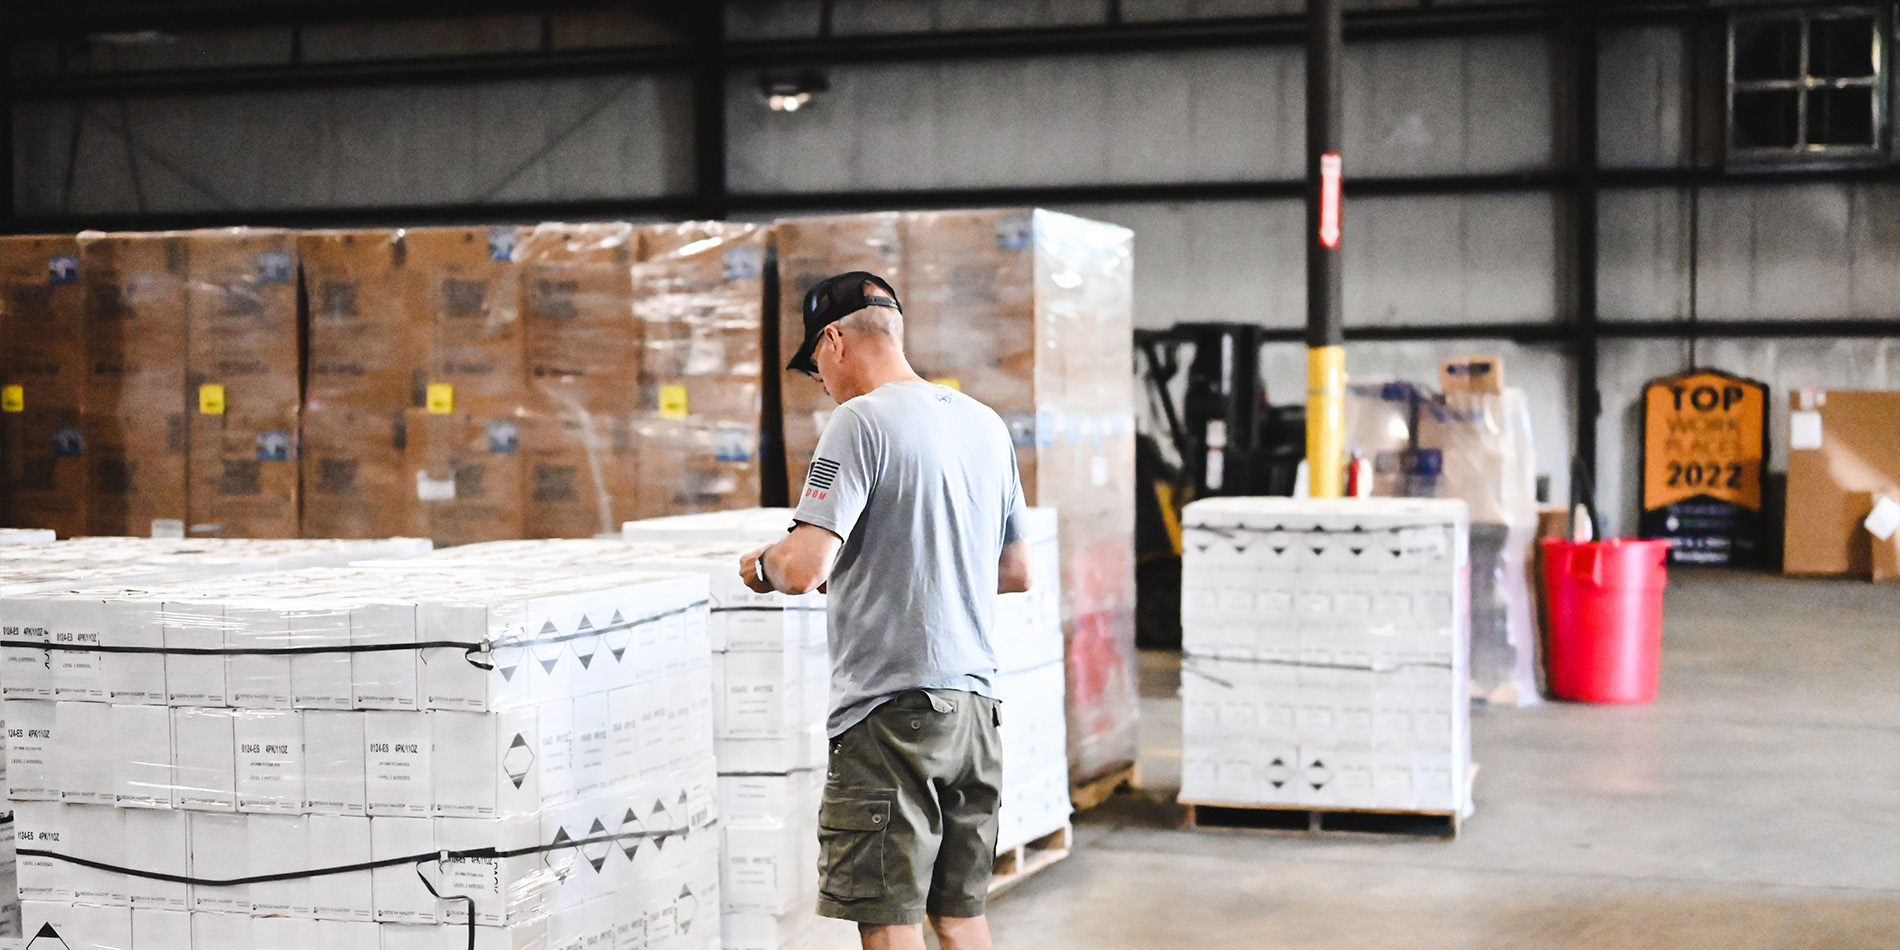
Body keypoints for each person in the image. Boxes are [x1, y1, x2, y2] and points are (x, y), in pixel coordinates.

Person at [738, 271, 1033, 950]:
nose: (824, 381)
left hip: (889, 713)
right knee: (960, 916)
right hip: (974, 712)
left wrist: (760, 567)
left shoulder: (859, 422)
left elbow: (806, 564)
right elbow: (1016, 571)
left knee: (890, 916)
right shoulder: (984, 423)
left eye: (817, 365)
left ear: (835, 339)